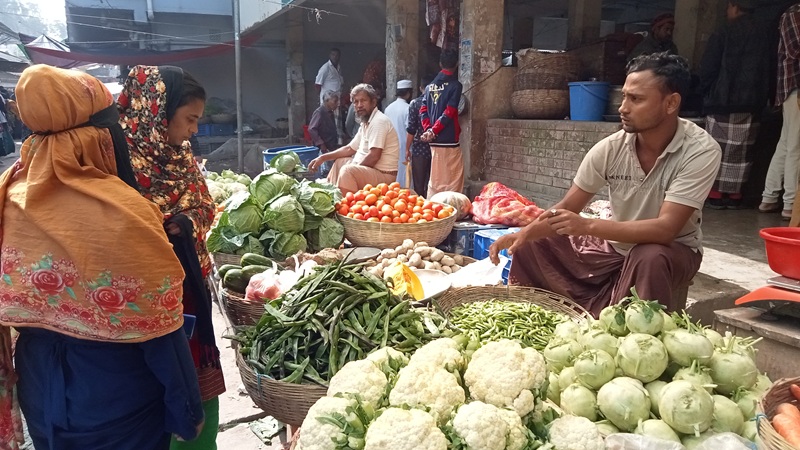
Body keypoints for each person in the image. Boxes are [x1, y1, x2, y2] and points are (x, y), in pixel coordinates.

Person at [0, 65, 203, 450]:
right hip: (118, 406)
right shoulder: (124, 212)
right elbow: (160, 332)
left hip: (39, 394)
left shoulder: (9, 197)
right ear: (98, 137)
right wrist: (187, 411)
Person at [489, 52, 722, 316]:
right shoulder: (611, 148)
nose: (623, 107)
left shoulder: (701, 151)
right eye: (624, 96)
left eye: (636, 99)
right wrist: (521, 235)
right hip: (614, 247)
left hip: (672, 251)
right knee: (535, 243)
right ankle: (554, 314)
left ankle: (637, 337)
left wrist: (588, 226)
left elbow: (665, 230)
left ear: (671, 104)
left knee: (649, 256)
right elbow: (568, 206)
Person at [117, 65, 225, 450]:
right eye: (189, 119)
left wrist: (183, 221)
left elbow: (205, 205)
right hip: (142, 297)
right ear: (158, 112)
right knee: (155, 385)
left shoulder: (181, 154)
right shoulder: (116, 160)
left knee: (198, 380)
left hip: (189, 284)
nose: (194, 130)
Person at [698, 0, 771, 209]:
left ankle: (715, 194)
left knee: (717, 149)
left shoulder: (723, 31)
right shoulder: (763, 32)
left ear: (734, 7)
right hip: (751, 103)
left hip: (722, 102)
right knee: (741, 151)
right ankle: (735, 195)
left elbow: (708, 68)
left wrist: (705, 91)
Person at [308, 83, 400, 194]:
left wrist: (355, 170)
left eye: (363, 101)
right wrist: (323, 158)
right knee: (340, 162)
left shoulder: (379, 121)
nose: (359, 105)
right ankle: (330, 193)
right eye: (356, 102)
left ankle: (343, 204)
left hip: (383, 175)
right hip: (371, 171)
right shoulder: (366, 123)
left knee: (347, 170)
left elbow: (374, 156)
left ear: (374, 102)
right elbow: (349, 149)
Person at [761, 3, 800, 220]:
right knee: (795, 145)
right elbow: (795, 48)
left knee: (786, 144)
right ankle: (791, 203)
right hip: (795, 88)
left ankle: (769, 197)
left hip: (792, 89)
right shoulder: (794, 14)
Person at [420, 49, 463, 196]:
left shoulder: (428, 87)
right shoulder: (456, 85)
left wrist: (429, 130)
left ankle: (433, 207)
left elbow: (423, 110)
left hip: (434, 140)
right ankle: (452, 210)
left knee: (436, 177)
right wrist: (434, 131)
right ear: (457, 64)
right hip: (449, 138)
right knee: (452, 178)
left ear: (440, 64)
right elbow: (449, 112)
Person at [406, 75, 434, 197]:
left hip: (419, 148)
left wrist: (407, 148)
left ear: (421, 88)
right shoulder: (437, 103)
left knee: (419, 183)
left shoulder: (415, 103)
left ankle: (420, 209)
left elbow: (411, 129)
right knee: (433, 183)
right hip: (435, 147)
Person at [385, 79, 414, 187]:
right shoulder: (408, 108)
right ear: (408, 93)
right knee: (406, 174)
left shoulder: (388, 108)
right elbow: (410, 130)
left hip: (390, 146)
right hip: (405, 146)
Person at [308, 90, 341, 177]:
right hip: (323, 148)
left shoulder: (330, 112)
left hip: (330, 145)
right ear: (327, 101)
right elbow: (312, 129)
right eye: (335, 101)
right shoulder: (320, 112)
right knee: (325, 171)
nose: (337, 104)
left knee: (331, 169)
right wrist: (321, 143)